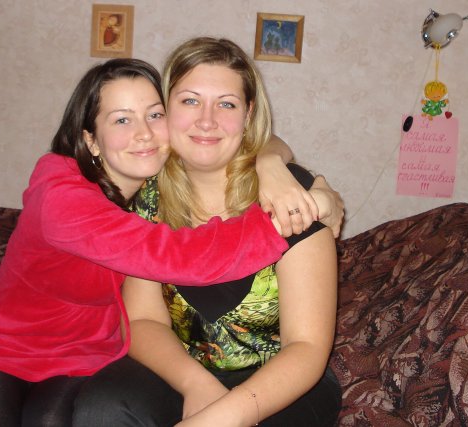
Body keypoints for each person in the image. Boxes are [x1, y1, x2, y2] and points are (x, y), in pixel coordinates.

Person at [0, 57, 337, 426]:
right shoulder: (81, 199)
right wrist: (302, 213)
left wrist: (273, 162)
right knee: (16, 416)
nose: (143, 134)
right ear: (91, 139)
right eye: (122, 120)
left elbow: (249, 142)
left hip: (93, 352)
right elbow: (179, 262)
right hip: (12, 345)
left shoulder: (171, 184)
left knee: (53, 418)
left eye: (152, 115)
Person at [72, 37, 341, 426]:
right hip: (181, 369)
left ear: (248, 113)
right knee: (101, 407)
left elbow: (306, 347)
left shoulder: (291, 196)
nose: (207, 121)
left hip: (282, 380)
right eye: (190, 101)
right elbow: (143, 320)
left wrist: (222, 417)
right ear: (165, 109)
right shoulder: (147, 198)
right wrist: (196, 385)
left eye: (226, 104)